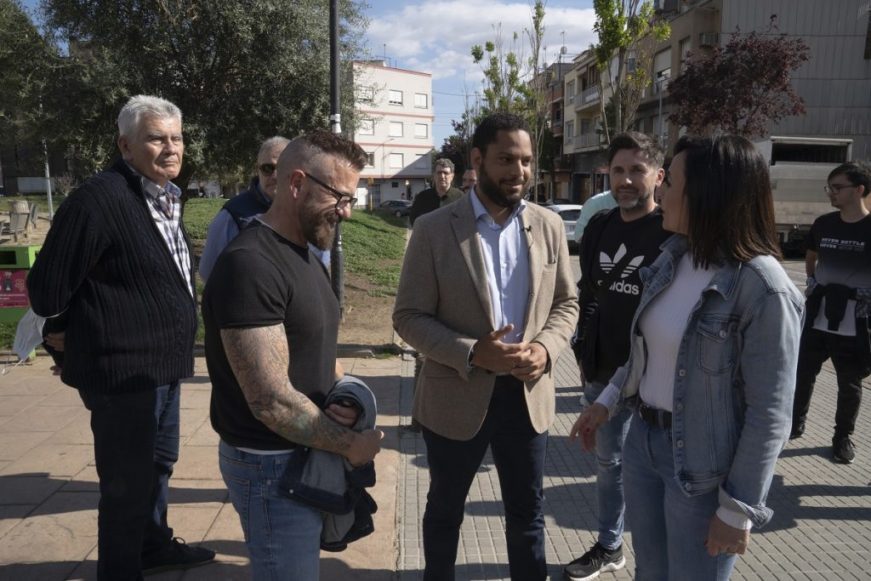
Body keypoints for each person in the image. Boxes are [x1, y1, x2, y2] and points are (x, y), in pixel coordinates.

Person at [572, 134, 804, 580]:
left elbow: (770, 412)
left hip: (702, 468)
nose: (661, 192)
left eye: (671, 181)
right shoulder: (672, 257)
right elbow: (644, 351)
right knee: (650, 574)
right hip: (642, 446)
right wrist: (606, 402)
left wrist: (738, 510)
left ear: (707, 193)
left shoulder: (764, 288)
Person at [26, 95, 215, 579]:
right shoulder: (100, 198)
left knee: (158, 466)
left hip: (164, 367)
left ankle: (152, 547)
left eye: (176, 138)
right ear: (125, 145)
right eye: (156, 138)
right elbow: (48, 286)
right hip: (123, 372)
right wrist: (61, 334)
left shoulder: (165, 195)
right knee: (126, 485)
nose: (170, 148)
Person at [393, 112, 579, 581]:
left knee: (527, 515)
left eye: (526, 161)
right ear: (477, 160)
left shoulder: (548, 225)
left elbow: (566, 304)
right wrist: (473, 352)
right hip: (456, 393)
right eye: (506, 160)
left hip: (526, 395)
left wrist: (545, 349)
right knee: (444, 512)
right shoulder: (435, 229)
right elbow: (408, 317)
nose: (518, 172)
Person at [202, 131, 383, 580]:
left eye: (351, 198)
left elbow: (316, 352)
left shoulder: (304, 255)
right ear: (297, 183)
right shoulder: (251, 265)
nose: (346, 211)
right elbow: (271, 400)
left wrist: (344, 395)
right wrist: (353, 446)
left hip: (302, 453)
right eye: (340, 196)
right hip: (271, 468)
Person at [564, 132, 671, 581]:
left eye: (637, 170)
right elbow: (590, 291)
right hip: (602, 368)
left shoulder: (671, 232)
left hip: (651, 377)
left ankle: (659, 555)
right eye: (619, 170)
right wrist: (582, 344)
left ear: (658, 176)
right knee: (608, 464)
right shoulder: (601, 226)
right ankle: (610, 546)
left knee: (651, 468)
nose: (625, 180)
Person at [791, 161, 871, 463]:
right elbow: (811, 256)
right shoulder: (824, 223)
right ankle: (795, 422)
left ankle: (842, 438)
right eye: (830, 187)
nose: (831, 193)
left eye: (837, 188)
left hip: (854, 321)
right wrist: (812, 281)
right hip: (819, 315)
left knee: (849, 383)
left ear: (859, 189)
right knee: (804, 372)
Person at [198, 136, 289, 280]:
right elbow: (209, 273)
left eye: (283, 167)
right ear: (257, 170)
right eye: (268, 168)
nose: (275, 175)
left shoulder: (306, 210)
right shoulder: (232, 215)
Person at [408, 157, 464, 225]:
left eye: (446, 173)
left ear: (452, 176)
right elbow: (414, 221)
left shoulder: (461, 198)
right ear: (434, 175)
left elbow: (465, 222)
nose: (442, 176)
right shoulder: (422, 197)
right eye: (439, 172)